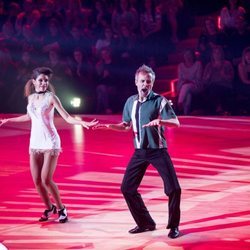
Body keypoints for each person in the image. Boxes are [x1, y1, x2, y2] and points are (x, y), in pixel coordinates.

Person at [0, 67, 98, 223]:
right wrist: (9, 120)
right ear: (34, 82)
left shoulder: (52, 97)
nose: (44, 83)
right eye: (41, 80)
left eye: (46, 80)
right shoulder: (31, 98)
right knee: (37, 181)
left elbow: (67, 117)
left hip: (50, 142)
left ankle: (61, 208)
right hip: (35, 142)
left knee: (46, 179)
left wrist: (82, 123)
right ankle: (48, 207)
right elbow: (28, 116)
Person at [94, 64, 181, 239]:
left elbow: (176, 122)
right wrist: (110, 126)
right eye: (142, 81)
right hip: (140, 152)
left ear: (152, 83)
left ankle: (174, 226)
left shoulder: (160, 101)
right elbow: (125, 126)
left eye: (148, 82)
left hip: (158, 150)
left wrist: (161, 122)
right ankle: (145, 223)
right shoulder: (130, 102)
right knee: (127, 188)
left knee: (173, 189)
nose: (145, 84)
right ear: (136, 82)